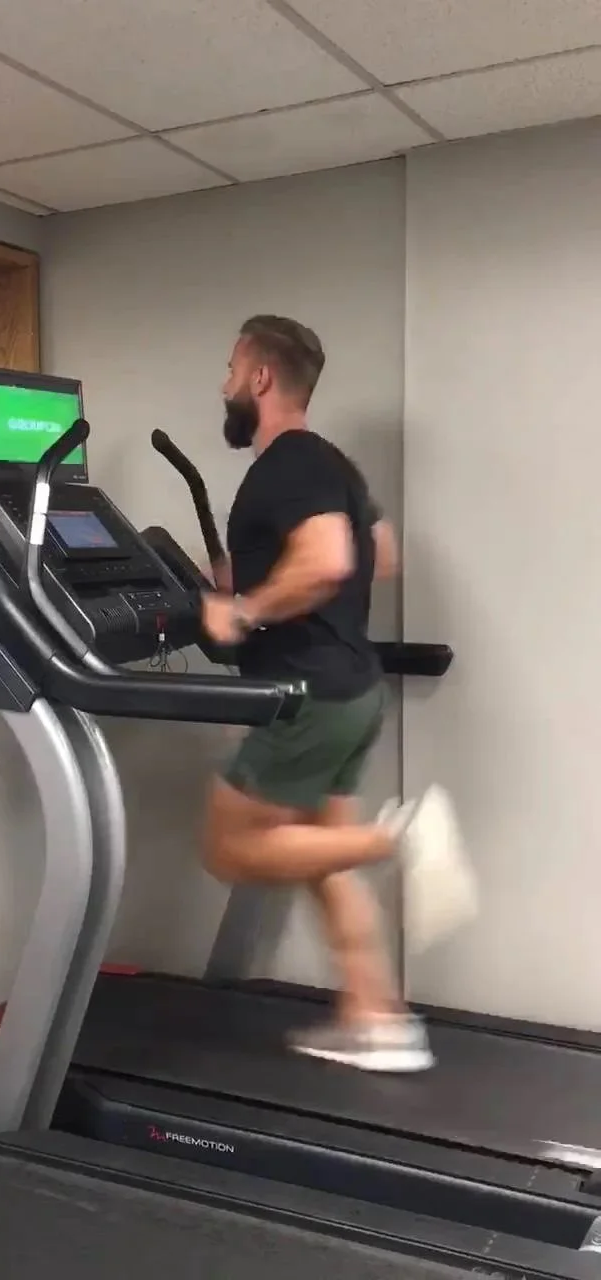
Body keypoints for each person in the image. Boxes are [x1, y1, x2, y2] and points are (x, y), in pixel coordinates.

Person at [200, 314, 476, 1073]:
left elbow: (326, 561)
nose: (223, 383)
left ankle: (405, 837)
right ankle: (375, 1019)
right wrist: (242, 573)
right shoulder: (332, 466)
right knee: (323, 861)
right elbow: (376, 556)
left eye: (230, 367)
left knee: (228, 847)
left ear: (260, 377)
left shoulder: (286, 461)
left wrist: (246, 610)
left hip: (306, 693)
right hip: (349, 688)